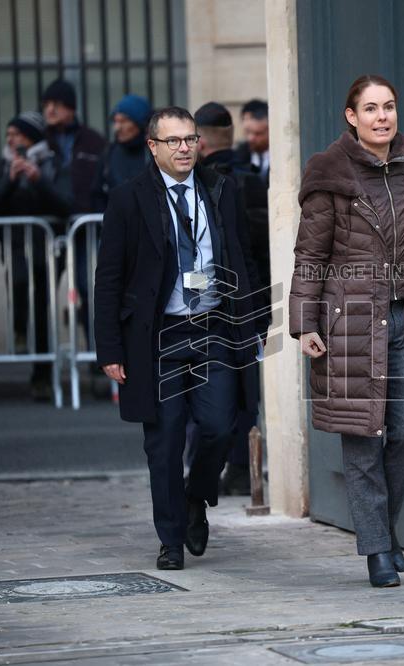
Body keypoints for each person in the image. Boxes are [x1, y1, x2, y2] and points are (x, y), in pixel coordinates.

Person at [289, 75, 404, 587]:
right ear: (351, 116)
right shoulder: (330, 175)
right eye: (370, 108)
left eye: (388, 107)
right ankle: (378, 551)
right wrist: (304, 322)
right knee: (362, 438)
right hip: (350, 325)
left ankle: (381, 528)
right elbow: (311, 256)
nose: (382, 117)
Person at [93, 106, 259, 571]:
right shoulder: (130, 199)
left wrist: (253, 323)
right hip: (158, 336)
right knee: (163, 442)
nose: (185, 148)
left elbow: (243, 259)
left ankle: (195, 498)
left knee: (223, 425)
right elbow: (108, 278)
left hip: (214, 328)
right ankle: (170, 540)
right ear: (153, 147)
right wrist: (109, 347)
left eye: (190, 139)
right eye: (174, 141)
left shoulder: (221, 189)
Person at [194, 101, 271, 495]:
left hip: (207, 305)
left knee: (202, 391)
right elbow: (260, 249)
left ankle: (210, 471)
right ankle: (240, 469)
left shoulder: (200, 183)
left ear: (200, 141)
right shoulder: (251, 179)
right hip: (251, 300)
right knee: (247, 389)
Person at [0, 111, 73, 401]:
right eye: (8, 135)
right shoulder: (3, 165)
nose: (11, 140)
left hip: (46, 247)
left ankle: (42, 376)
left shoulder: (52, 163)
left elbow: (65, 203)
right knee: (19, 284)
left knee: (43, 309)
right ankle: (20, 330)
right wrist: (9, 179)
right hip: (17, 246)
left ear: (32, 137)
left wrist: (38, 179)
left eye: (16, 135)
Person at [41, 79, 106, 215]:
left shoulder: (93, 140)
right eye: (46, 105)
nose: (50, 110)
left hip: (86, 219)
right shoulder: (39, 138)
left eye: (57, 104)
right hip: (48, 217)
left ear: (71, 108)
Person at [91, 94, 152, 212]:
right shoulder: (109, 153)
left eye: (124, 121)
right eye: (115, 121)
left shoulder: (154, 152)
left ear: (141, 124)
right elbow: (97, 194)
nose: (117, 127)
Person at [234, 99, 269, 185]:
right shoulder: (237, 157)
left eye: (258, 133)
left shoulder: (282, 157)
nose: (251, 138)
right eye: (247, 132)